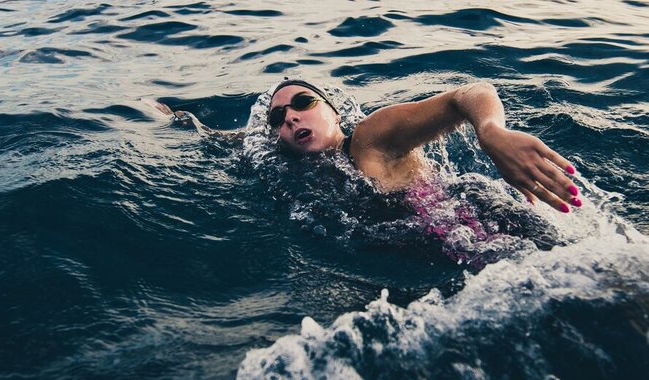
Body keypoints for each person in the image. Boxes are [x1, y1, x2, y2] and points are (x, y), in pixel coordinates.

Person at [144, 79, 582, 213]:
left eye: (303, 103)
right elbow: (226, 138)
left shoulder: (372, 139)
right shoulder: (286, 157)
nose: (291, 117)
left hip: (484, 232)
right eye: (278, 118)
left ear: (336, 113)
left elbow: (469, 94)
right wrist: (172, 118)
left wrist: (491, 133)